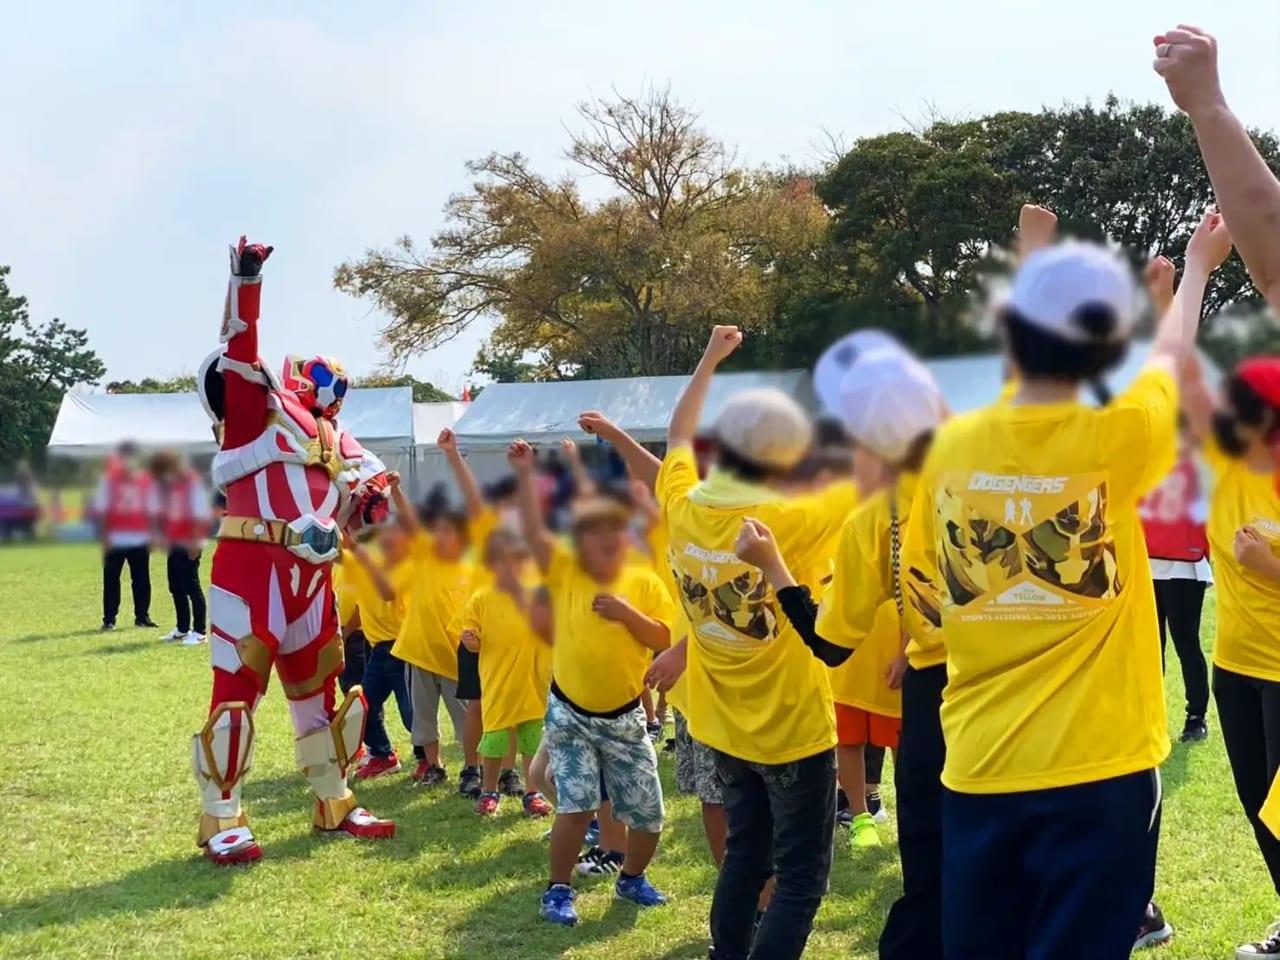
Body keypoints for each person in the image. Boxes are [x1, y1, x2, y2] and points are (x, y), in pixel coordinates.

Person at [903, 210, 1228, 958]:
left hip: (981, 765)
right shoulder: (1117, 440)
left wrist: (1033, 263)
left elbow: (928, 583)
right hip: (1101, 771)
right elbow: (1168, 358)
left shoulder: (947, 450)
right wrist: (1197, 267)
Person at [650, 326, 857, 960]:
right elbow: (870, 468)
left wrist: (709, 356)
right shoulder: (792, 520)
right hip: (792, 729)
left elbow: (677, 436)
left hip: (725, 731)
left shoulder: (682, 505)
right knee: (797, 881)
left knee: (744, 858)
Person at [190, 237, 395, 865]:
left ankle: (333, 797)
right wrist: (245, 281)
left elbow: (371, 494)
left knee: (320, 688)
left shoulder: (331, 431)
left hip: (313, 573)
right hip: (253, 569)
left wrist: (371, 501)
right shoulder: (256, 411)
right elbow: (239, 346)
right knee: (237, 689)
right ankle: (221, 815)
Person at [1156, 28, 1280, 956]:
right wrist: (1191, 276)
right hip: (1241, 652)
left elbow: (1274, 254)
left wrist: (1208, 108)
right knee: (1259, 807)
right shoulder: (1232, 449)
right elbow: (1167, 375)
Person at [509, 438, 674, 927]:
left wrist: (626, 614)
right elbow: (536, 536)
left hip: (625, 715)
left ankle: (631, 879)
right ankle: (558, 891)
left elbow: (664, 637)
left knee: (648, 813)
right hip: (571, 713)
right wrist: (523, 475)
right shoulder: (566, 568)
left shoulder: (644, 581)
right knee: (577, 806)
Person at [393, 428, 494, 794]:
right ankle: (432, 764)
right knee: (423, 718)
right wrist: (394, 491)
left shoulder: (473, 565)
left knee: (467, 715)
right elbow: (408, 519)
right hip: (420, 651)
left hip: (455, 652)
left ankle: (476, 766)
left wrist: (454, 458)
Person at [457, 527, 554, 818]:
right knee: (495, 738)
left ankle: (532, 793)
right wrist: (471, 641)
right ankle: (489, 791)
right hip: (498, 681)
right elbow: (470, 633)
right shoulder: (482, 598)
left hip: (532, 681)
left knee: (531, 741)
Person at [345, 519, 416, 779]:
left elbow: (387, 592)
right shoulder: (369, 567)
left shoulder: (406, 567)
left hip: (402, 649)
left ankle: (429, 761)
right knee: (363, 707)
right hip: (378, 652)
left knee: (412, 715)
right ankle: (383, 755)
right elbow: (360, 604)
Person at [92, 440, 157, 631]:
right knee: (112, 578)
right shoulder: (110, 480)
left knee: (141, 579)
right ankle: (109, 618)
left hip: (139, 537)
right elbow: (103, 510)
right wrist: (105, 536)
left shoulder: (145, 480)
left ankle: (142, 616)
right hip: (116, 537)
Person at [150, 450, 212, 646]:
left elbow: (199, 515)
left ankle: (200, 631)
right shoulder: (172, 485)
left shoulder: (192, 483)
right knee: (175, 586)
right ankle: (182, 628)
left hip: (190, 542)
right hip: (175, 541)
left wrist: (194, 543)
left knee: (192, 586)